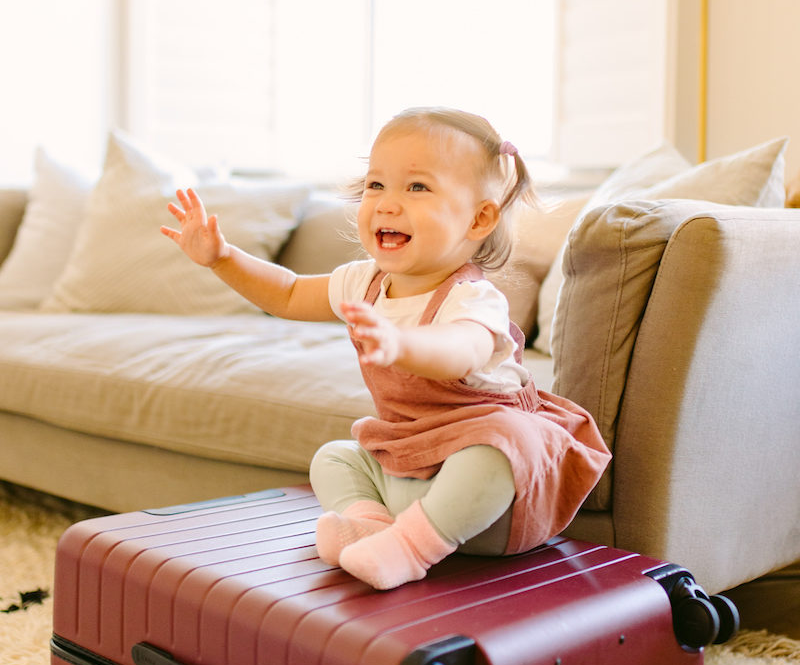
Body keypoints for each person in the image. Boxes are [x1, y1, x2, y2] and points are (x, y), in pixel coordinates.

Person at [162, 107, 610, 590]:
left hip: (492, 503)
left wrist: (401, 342)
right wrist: (223, 260)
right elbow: (288, 293)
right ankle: (370, 526)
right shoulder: (364, 281)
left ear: (479, 218)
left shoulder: (474, 299)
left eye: (417, 187)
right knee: (335, 457)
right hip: (415, 477)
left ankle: (410, 551)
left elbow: (459, 349)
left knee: (499, 446)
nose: (387, 203)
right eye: (376, 184)